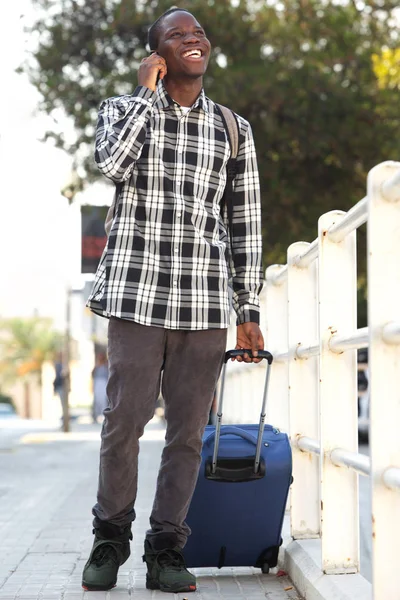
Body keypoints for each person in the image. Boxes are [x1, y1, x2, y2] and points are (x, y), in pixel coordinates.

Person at [83, 7, 264, 594]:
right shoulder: (122, 110)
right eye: (178, 35)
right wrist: (145, 95)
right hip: (136, 295)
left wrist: (249, 307)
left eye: (199, 34)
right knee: (123, 424)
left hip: (203, 303)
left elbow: (245, 223)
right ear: (156, 53)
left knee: (187, 434)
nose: (194, 40)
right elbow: (112, 163)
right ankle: (109, 540)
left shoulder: (234, 129)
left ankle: (165, 551)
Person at [91, 352, 109, 423]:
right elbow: (92, 375)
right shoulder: (97, 366)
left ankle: (105, 416)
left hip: (104, 384)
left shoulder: (106, 366)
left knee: (104, 400)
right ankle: (95, 416)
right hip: (98, 384)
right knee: (96, 400)